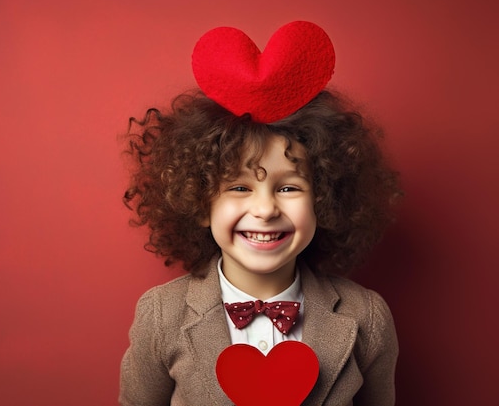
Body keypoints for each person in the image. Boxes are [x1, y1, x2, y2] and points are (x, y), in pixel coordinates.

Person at [119, 23, 401, 406]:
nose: (266, 209)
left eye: (288, 187)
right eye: (239, 187)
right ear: (200, 201)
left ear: (325, 199)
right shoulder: (161, 315)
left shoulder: (366, 316)